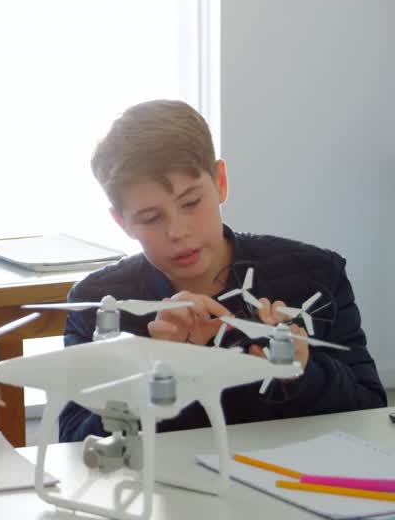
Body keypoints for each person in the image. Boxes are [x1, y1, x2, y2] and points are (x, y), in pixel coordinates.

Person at [58, 99, 386, 442]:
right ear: (121, 222)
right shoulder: (96, 304)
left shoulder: (316, 274)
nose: (178, 231)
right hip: (161, 493)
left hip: (291, 488)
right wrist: (158, 371)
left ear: (221, 182)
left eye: (191, 203)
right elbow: (74, 442)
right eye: (151, 218)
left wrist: (302, 372)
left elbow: (370, 412)